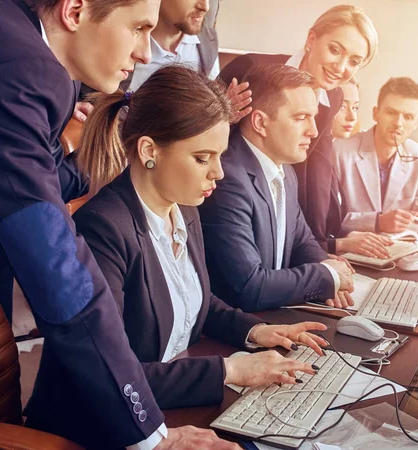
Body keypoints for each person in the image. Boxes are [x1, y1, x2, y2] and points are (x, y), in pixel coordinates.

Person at [0, 0, 236, 449]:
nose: (145, 53)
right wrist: (152, 436)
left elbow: (34, 175)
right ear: (75, 11)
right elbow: (60, 276)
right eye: (137, 28)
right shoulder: (26, 69)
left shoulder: (26, 50)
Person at [73, 65, 328, 414]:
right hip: (116, 418)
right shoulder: (102, 230)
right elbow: (111, 376)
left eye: (220, 155)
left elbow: (197, 301)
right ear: (150, 151)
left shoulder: (185, 209)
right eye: (201, 158)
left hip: (174, 395)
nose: (218, 172)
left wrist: (257, 332)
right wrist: (230, 369)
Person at [219, 5, 378, 254]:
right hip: (228, 203)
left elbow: (316, 172)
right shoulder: (250, 68)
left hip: (277, 206)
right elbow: (196, 130)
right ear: (311, 40)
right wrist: (223, 115)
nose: (341, 67)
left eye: (354, 62)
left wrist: (321, 246)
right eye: (335, 50)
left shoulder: (332, 97)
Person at [199, 64, 354, 312]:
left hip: (272, 316)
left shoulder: (286, 172)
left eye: (313, 117)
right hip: (232, 330)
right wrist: (326, 276)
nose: (313, 131)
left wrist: (327, 266)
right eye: (301, 117)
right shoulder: (227, 178)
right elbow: (250, 286)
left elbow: (302, 241)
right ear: (260, 122)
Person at [335, 77, 418, 234]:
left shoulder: (417, 154)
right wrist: (377, 222)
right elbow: (327, 221)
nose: (398, 123)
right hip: (351, 249)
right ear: (376, 114)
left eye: (408, 117)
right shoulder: (340, 151)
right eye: (391, 113)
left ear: (416, 123)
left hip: (393, 250)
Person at [121, 0, 251, 124]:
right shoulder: (122, 47)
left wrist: (221, 114)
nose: (205, 7)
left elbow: (207, 111)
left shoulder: (207, 41)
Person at [331, 80, 393, 258]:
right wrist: (343, 240)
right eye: (342, 106)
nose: (352, 117)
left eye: (356, 108)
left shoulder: (416, 153)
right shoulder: (336, 152)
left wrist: (348, 235)